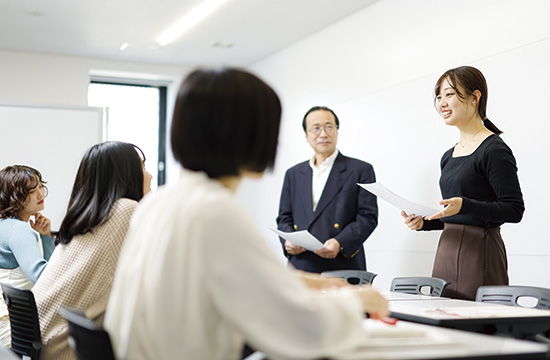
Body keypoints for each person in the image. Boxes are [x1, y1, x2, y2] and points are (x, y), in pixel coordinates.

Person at [104, 68, 388, 360]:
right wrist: (355, 302)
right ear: (251, 137)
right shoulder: (214, 212)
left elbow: (230, 278)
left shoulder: (157, 204)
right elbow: (301, 329)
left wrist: (299, 281)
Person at [401, 66, 525, 300]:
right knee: (443, 326)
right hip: (446, 250)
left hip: (480, 252)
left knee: (475, 328)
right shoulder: (448, 156)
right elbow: (456, 214)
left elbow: (514, 209)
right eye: (438, 97)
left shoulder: (494, 149)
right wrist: (424, 223)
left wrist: (465, 205)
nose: (442, 103)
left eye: (449, 94)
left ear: (474, 98)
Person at [31, 141, 152, 360]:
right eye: (142, 168)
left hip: (44, 344)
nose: (150, 176)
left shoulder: (84, 220)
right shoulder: (126, 210)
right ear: (126, 175)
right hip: (66, 350)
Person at [276, 106, 378, 273]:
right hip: (301, 265)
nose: (323, 134)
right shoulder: (293, 174)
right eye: (316, 128)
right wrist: (287, 241)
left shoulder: (360, 170)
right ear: (306, 135)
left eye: (329, 126)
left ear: (337, 131)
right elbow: (284, 218)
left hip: (343, 265)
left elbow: (368, 217)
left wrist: (340, 243)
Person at [0, 165, 55, 346]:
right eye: (31, 190)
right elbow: (42, 276)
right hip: (13, 327)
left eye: (40, 186)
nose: (40, 194)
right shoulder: (20, 229)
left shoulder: (6, 225)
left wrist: (46, 237)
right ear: (14, 196)